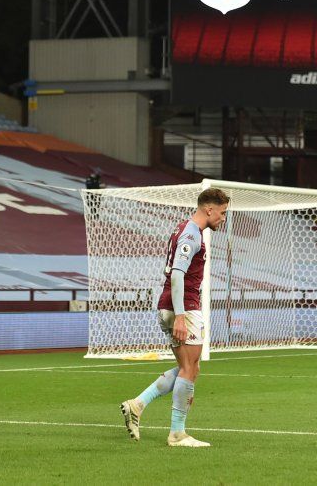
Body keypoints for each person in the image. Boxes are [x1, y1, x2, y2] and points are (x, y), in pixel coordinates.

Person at [119, 187, 230, 448]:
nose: (223, 218)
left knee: (188, 368)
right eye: (222, 213)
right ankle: (177, 434)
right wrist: (181, 316)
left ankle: (137, 405)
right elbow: (178, 274)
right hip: (183, 306)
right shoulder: (191, 233)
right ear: (209, 209)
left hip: (173, 304)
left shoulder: (184, 228)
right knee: (190, 369)